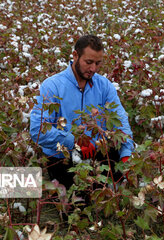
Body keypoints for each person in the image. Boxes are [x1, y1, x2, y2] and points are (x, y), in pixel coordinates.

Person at [29, 34, 134, 193]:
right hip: (63, 157)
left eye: (98, 63)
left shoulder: (104, 85)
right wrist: (74, 143)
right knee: (79, 200)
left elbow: (120, 119)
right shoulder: (52, 86)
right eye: (89, 62)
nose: (93, 69)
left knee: (118, 186)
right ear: (75, 56)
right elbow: (38, 130)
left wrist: (126, 153)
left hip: (97, 152)